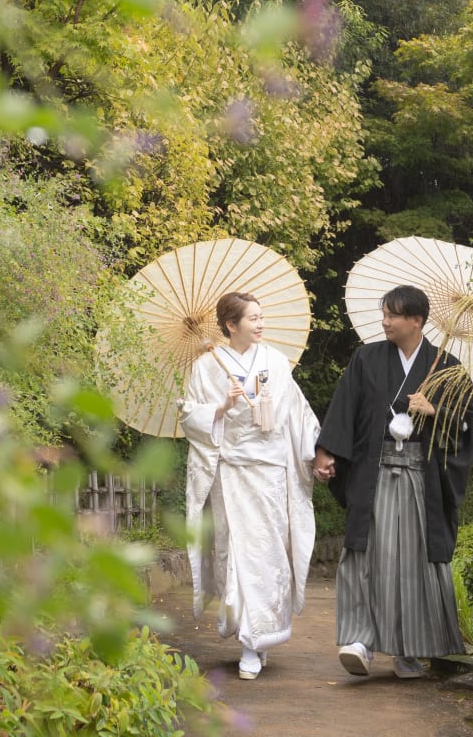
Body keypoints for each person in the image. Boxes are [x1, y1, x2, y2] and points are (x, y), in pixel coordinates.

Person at [312, 284, 473, 679]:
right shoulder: (366, 358)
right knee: (367, 553)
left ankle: (408, 650)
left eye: (393, 315)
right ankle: (359, 641)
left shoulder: (448, 367)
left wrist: (435, 411)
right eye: (384, 313)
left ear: (416, 320)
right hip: (375, 472)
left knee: (415, 561)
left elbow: (467, 423)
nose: (384, 321)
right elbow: (344, 408)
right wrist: (326, 452)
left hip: (422, 479)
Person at [177, 291, 320, 680]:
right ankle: (249, 642)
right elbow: (189, 418)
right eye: (253, 318)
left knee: (268, 555)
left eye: (261, 316)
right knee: (237, 554)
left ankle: (259, 636)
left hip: (270, 473)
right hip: (230, 474)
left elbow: (297, 414)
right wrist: (221, 407)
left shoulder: (275, 361)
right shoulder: (206, 366)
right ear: (231, 325)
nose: (261, 324)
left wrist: (317, 453)